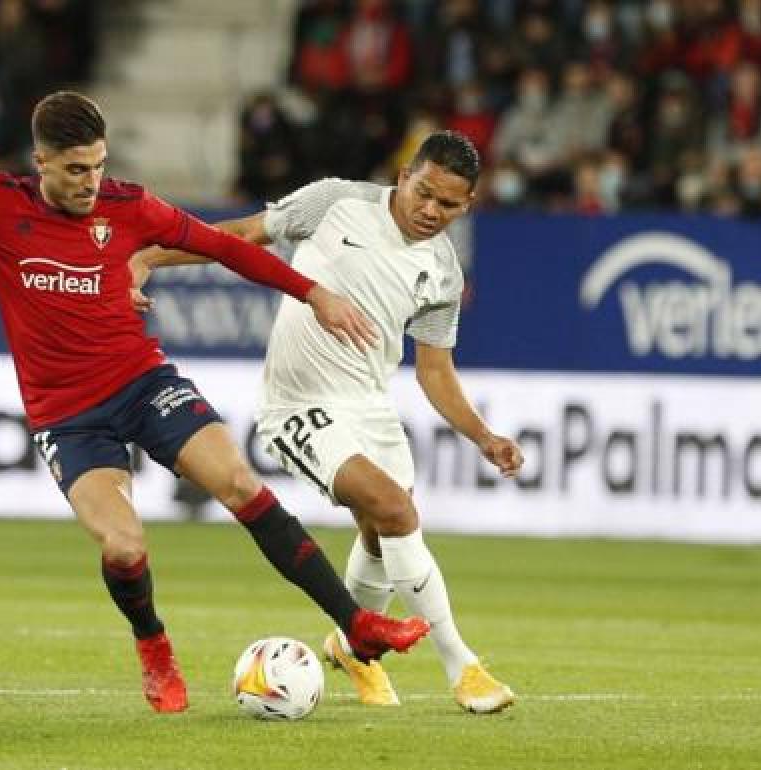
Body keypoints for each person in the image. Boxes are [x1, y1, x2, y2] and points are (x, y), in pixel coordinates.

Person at [0, 86, 430, 714]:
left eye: (98, 166)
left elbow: (227, 248)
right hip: (69, 417)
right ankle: (153, 643)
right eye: (76, 170)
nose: (90, 182)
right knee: (125, 548)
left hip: (143, 383)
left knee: (240, 484)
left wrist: (312, 293)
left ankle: (355, 624)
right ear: (42, 162)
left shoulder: (129, 207)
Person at [131, 131, 523, 714]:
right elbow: (239, 236)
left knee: (379, 532)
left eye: (448, 205)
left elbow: (434, 371)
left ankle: (351, 651)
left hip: (371, 404)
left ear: (468, 205)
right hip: (298, 403)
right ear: (406, 173)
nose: (430, 212)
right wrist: (146, 258)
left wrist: (483, 435)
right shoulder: (336, 201)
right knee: (395, 509)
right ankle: (462, 667)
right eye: (425, 193)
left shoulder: (444, 272)